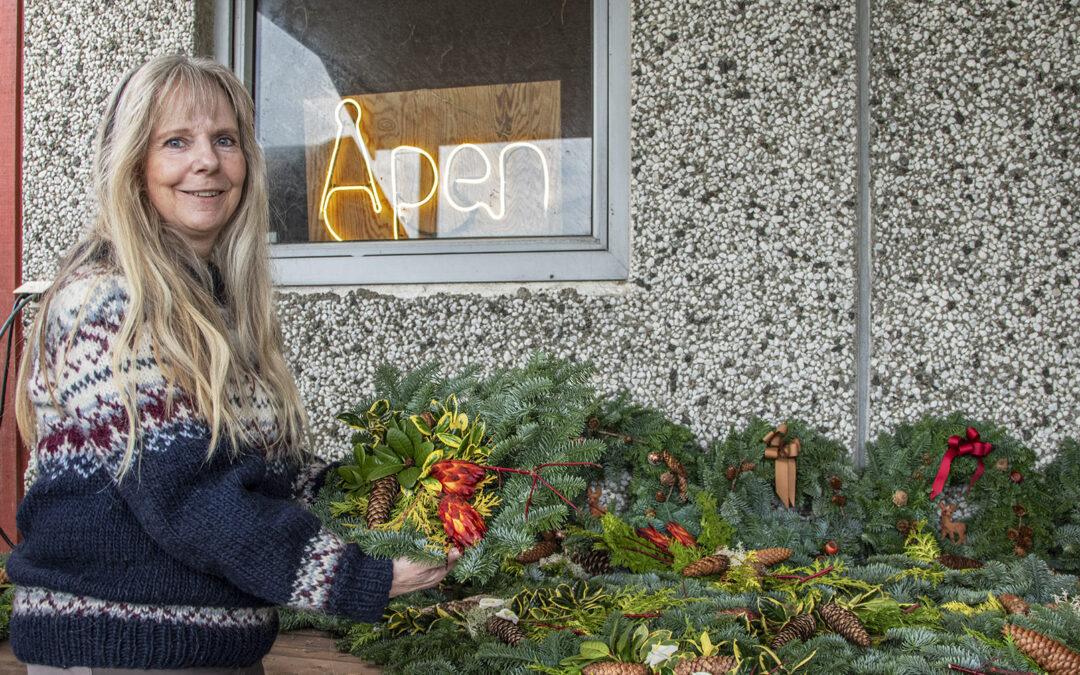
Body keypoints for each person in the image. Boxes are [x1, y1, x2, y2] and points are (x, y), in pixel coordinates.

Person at [6, 54, 457, 672]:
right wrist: (360, 577)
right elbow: (189, 497)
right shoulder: (107, 301)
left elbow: (270, 477)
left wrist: (403, 487)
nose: (208, 162)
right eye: (176, 142)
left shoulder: (217, 307)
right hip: (120, 645)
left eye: (225, 140)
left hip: (217, 648)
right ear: (135, 166)